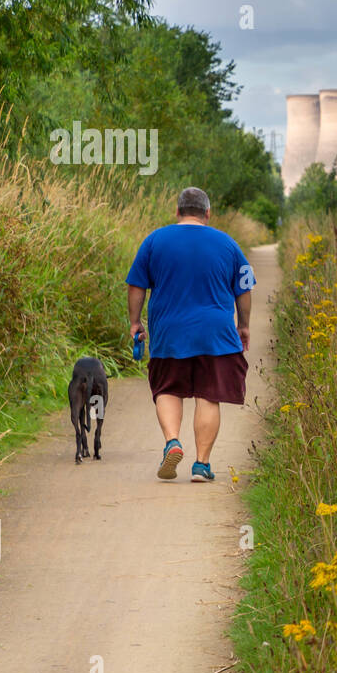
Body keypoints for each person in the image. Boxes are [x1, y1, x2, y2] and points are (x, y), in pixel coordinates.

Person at [126, 187, 254, 481]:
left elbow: (136, 285)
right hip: (216, 334)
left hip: (169, 332)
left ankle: (172, 442)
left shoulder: (154, 241)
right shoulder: (228, 244)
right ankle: (201, 465)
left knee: (168, 388)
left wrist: (135, 322)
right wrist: (244, 325)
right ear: (208, 213)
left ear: (178, 211)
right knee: (208, 395)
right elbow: (244, 288)